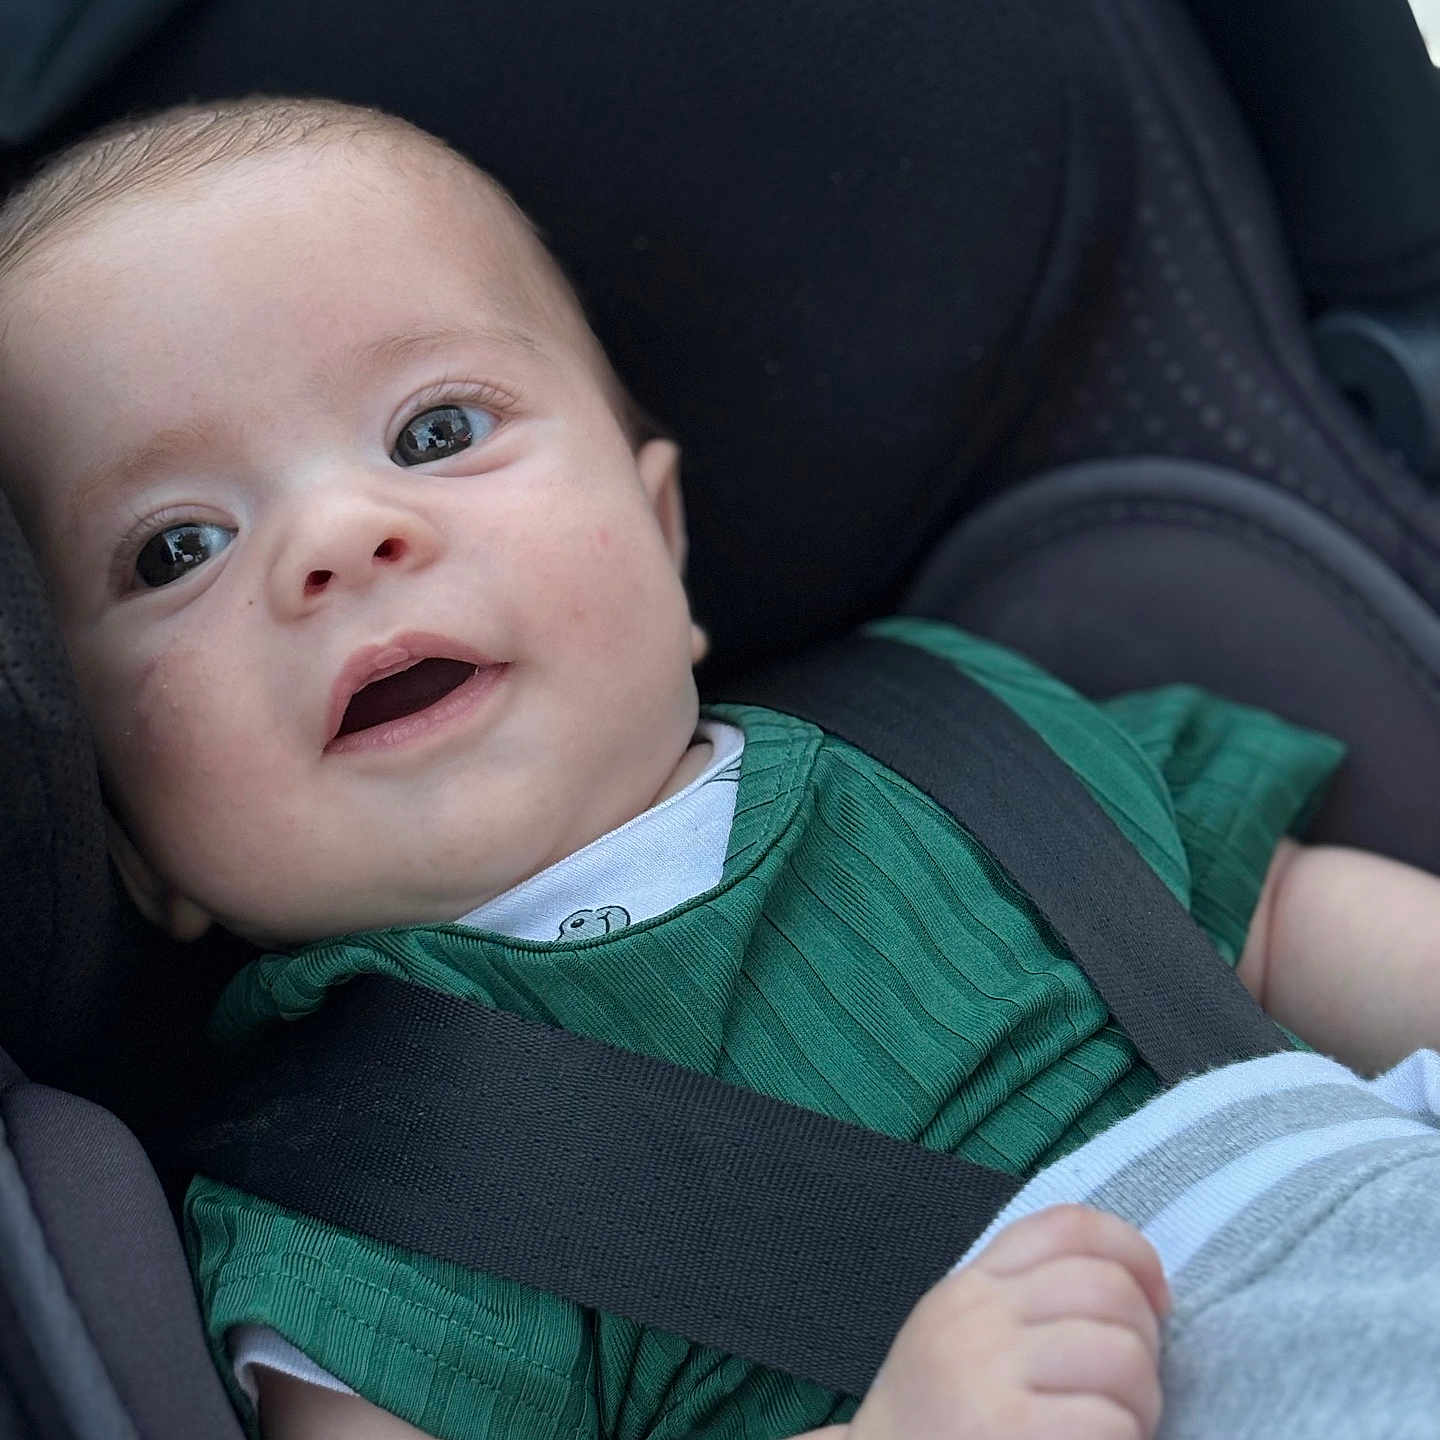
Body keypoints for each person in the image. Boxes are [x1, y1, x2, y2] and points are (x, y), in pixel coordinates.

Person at [2, 96, 1440, 1440]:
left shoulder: (962, 738)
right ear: (123, 840)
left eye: (437, 431)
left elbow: (1286, 927)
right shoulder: (364, 1191)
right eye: (176, 547)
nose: (337, 536)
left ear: (663, 535)